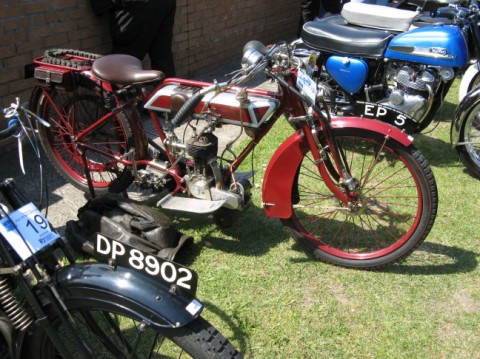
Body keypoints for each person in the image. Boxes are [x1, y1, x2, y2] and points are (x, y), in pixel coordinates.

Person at [91, 0, 177, 77]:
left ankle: (126, 94)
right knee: (162, 54)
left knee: (125, 60)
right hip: (164, 3)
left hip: (137, 6)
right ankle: (168, 93)